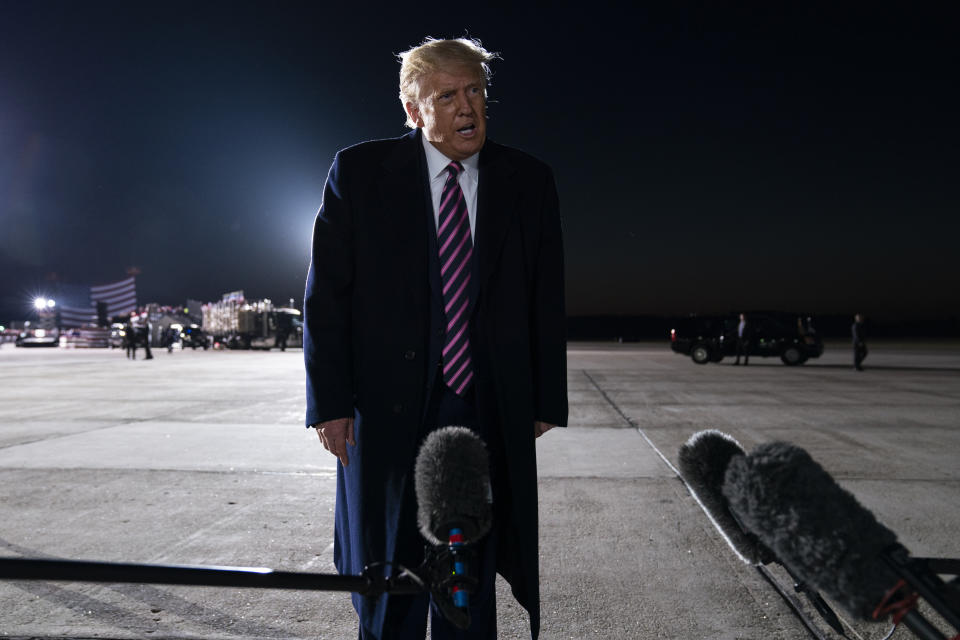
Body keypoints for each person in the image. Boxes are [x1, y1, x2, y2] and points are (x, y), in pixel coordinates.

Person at [303, 37, 568, 640]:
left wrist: (544, 399)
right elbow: (326, 299)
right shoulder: (359, 174)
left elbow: (545, 298)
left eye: (475, 91)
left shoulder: (527, 180)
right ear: (413, 108)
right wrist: (332, 405)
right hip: (385, 405)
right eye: (446, 95)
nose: (466, 107)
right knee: (388, 568)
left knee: (467, 569)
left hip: (483, 404)